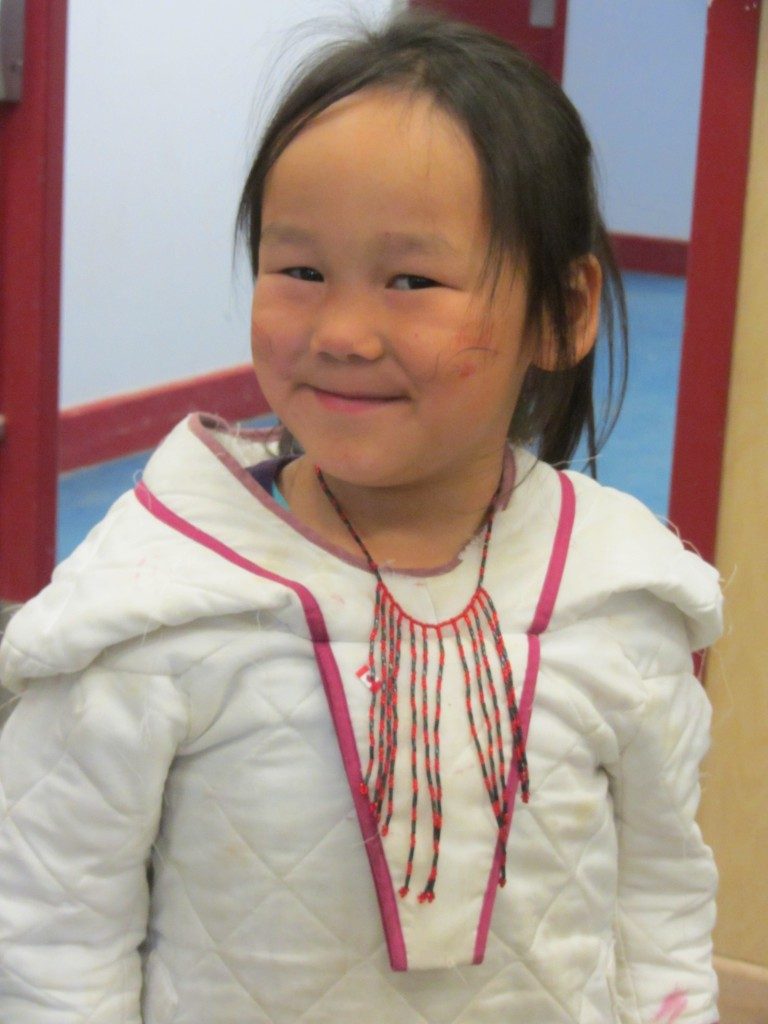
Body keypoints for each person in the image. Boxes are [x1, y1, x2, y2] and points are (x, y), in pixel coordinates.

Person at [0, 10, 722, 1023]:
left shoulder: (619, 595)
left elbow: (660, 906)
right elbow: (52, 933)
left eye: (412, 280)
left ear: (562, 311)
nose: (340, 331)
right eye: (299, 270)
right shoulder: (149, 607)